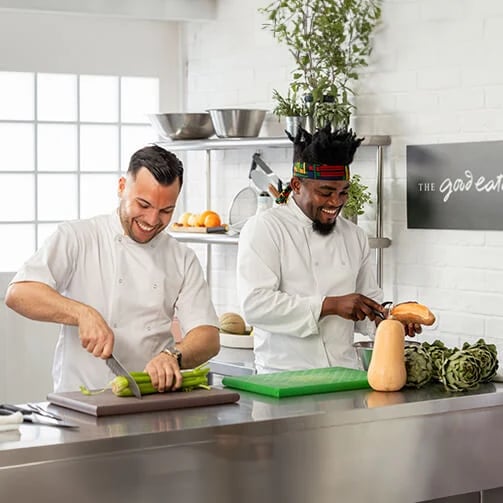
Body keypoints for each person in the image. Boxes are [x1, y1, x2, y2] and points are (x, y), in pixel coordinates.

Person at [5, 145, 220, 392]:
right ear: (121, 187)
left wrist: (173, 355)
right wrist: (82, 313)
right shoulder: (78, 237)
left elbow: (208, 337)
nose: (152, 220)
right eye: (143, 205)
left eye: (165, 211)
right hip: (81, 401)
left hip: (150, 402)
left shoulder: (181, 258)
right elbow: (19, 293)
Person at [237, 125, 419, 374]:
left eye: (343, 192)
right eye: (325, 192)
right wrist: (329, 305)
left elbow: (368, 301)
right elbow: (255, 305)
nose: (336, 202)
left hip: (343, 374)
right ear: (296, 185)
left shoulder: (354, 236)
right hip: (285, 376)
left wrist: (388, 318)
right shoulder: (265, 229)